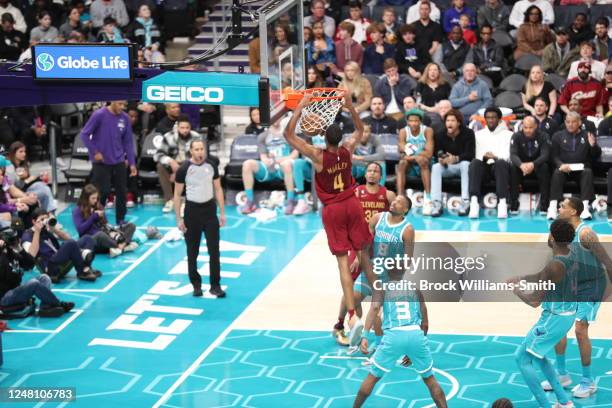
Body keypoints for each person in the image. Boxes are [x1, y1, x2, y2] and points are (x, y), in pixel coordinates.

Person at [284, 94, 373, 347]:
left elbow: (289, 137)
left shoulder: (317, 155)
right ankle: (379, 299)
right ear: (340, 139)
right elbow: (360, 129)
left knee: (343, 264)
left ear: (324, 138)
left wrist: (300, 109)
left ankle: (353, 317)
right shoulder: (348, 150)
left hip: (334, 209)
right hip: (353, 204)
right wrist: (351, 108)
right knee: (364, 254)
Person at [353, 196, 447, 408]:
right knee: (430, 380)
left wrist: (365, 336)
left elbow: (375, 309)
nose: (393, 202)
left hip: (394, 335)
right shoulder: (414, 288)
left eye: (398, 202)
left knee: (371, 379)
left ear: (405, 210)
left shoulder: (383, 287)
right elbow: (425, 321)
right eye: (393, 200)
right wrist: (416, 346)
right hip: (415, 334)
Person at [543, 197, 612, 399]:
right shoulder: (558, 229)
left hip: (590, 286)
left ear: (574, 211)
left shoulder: (586, 234)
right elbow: (552, 248)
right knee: (558, 326)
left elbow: (607, 261)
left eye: (563, 206)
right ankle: (562, 375)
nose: (559, 207)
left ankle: (588, 381)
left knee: (581, 330)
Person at [507, 218, 578, 408]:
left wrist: (517, 290)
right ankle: (564, 401)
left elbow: (534, 301)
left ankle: (546, 405)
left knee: (521, 359)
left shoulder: (553, 265)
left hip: (553, 320)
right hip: (567, 315)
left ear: (552, 238)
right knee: (537, 355)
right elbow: (544, 276)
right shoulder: (571, 256)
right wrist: (523, 277)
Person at [332, 161, 394, 346]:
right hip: (357, 245)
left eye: (376, 171)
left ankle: (363, 328)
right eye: (370, 170)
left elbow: (396, 219)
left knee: (378, 290)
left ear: (380, 175)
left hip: (380, 249)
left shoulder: (388, 195)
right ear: (365, 174)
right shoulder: (356, 192)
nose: (372, 173)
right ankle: (340, 324)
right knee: (350, 287)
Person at [174, 138, 225, 298]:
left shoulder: (211, 165)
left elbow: (218, 189)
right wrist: (179, 219)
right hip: (192, 212)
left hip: (210, 211)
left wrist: (222, 213)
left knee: (214, 251)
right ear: (191, 151)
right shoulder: (184, 169)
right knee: (192, 251)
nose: (200, 152)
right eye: (196, 149)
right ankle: (196, 285)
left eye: (202, 149)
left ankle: (215, 286)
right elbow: (177, 194)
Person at [80, 101, 136, 225]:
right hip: (101, 162)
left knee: (122, 191)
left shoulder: (125, 118)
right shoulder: (98, 115)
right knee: (102, 191)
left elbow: (128, 142)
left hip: (119, 160)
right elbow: (84, 134)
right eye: (120, 104)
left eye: (124, 105)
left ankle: (120, 219)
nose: (122, 108)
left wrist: (132, 163)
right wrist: (95, 152)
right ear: (113, 101)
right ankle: (96, 218)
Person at [0, 229, 74, 317]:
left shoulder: (11, 253)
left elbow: (30, 263)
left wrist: (20, 249)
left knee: (44, 278)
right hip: (5, 297)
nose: (15, 241)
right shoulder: (2, 257)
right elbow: (8, 277)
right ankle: (58, 303)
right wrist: (1, 251)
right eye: (12, 240)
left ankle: (45, 307)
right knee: (34, 284)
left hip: (16, 290)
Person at [547, 112, 601, 220]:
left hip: (581, 170)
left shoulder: (587, 135)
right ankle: (552, 208)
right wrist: (561, 165)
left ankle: (585, 208)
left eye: (573, 122)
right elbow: (554, 156)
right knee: (557, 172)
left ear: (579, 122)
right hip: (564, 169)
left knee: (588, 172)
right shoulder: (558, 136)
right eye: (568, 122)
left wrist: (593, 145)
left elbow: (596, 155)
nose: (570, 124)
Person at [22, 209, 99, 283]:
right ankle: (82, 271)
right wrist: (37, 232)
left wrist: (54, 228)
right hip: (50, 267)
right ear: (34, 221)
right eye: (42, 219)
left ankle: (86, 267)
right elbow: (31, 255)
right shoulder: (27, 236)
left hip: (59, 258)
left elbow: (68, 238)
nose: (44, 221)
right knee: (70, 244)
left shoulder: (46, 229)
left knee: (87, 238)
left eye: (46, 218)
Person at [239, 120, 298, 215]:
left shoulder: (289, 134)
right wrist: (266, 160)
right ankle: (250, 201)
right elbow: (263, 156)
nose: (276, 119)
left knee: (286, 164)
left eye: (279, 116)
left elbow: (295, 154)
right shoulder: (263, 136)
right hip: (269, 168)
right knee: (247, 164)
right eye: (274, 117)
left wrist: (280, 159)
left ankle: (290, 201)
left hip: (283, 167)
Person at [468, 107, 513, 219]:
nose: (491, 120)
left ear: (499, 119)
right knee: (474, 163)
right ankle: (474, 202)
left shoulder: (508, 134)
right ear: (485, 119)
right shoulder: (478, 134)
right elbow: (476, 156)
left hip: (500, 167)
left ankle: (502, 202)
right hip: (484, 167)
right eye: (488, 118)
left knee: (501, 163)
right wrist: (484, 157)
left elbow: (509, 157)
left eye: (493, 117)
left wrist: (495, 157)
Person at [72, 184, 138, 258]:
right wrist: (93, 217)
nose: (95, 200)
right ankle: (124, 246)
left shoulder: (98, 206)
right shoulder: (77, 210)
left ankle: (119, 247)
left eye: (96, 198)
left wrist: (112, 230)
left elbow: (105, 224)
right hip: (92, 239)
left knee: (131, 226)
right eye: (93, 198)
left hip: (106, 235)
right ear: (86, 198)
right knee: (100, 235)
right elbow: (80, 230)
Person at [430, 109, 474, 217]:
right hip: (447, 166)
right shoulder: (439, 134)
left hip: (461, 166)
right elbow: (438, 152)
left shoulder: (468, 133)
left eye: (452, 120)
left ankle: (465, 202)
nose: (449, 123)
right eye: (447, 120)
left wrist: (456, 158)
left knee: (466, 164)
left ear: (458, 122)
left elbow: (470, 154)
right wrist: (441, 158)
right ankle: (436, 203)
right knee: (436, 167)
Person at [154, 115, 200, 213]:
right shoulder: (168, 136)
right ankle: (170, 200)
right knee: (160, 166)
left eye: (187, 128)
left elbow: (201, 157)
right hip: (173, 164)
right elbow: (158, 155)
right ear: (177, 127)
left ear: (190, 127)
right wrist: (170, 161)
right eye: (182, 128)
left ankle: (189, 201)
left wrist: (180, 170)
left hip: (190, 165)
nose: (185, 130)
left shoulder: (196, 137)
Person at [509, 116, 550, 214]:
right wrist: (521, 165)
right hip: (522, 168)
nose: (527, 130)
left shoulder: (544, 136)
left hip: (537, 166)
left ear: (536, 126)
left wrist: (533, 164)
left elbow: (545, 155)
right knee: (513, 167)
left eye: (530, 127)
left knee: (544, 167)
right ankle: (514, 204)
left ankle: (544, 205)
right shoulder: (516, 136)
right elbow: (513, 154)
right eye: (525, 127)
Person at [396, 109, 433, 207]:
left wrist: (414, 155)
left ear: (420, 121)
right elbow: (402, 153)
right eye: (411, 121)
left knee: (423, 160)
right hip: (410, 164)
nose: (414, 123)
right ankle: (400, 196)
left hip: (425, 163)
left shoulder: (427, 130)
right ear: (407, 122)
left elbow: (429, 153)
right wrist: (417, 156)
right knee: (401, 163)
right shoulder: (403, 131)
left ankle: (428, 196)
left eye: (416, 121)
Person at [6, 141, 55, 214]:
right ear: (13, 153)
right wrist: (26, 194)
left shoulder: (23, 165)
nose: (24, 154)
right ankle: (50, 215)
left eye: (24, 151)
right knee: (44, 191)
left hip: (24, 189)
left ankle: (49, 214)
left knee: (43, 186)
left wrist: (38, 176)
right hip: (17, 194)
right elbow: (14, 188)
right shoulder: (9, 167)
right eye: (21, 152)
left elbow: (25, 182)